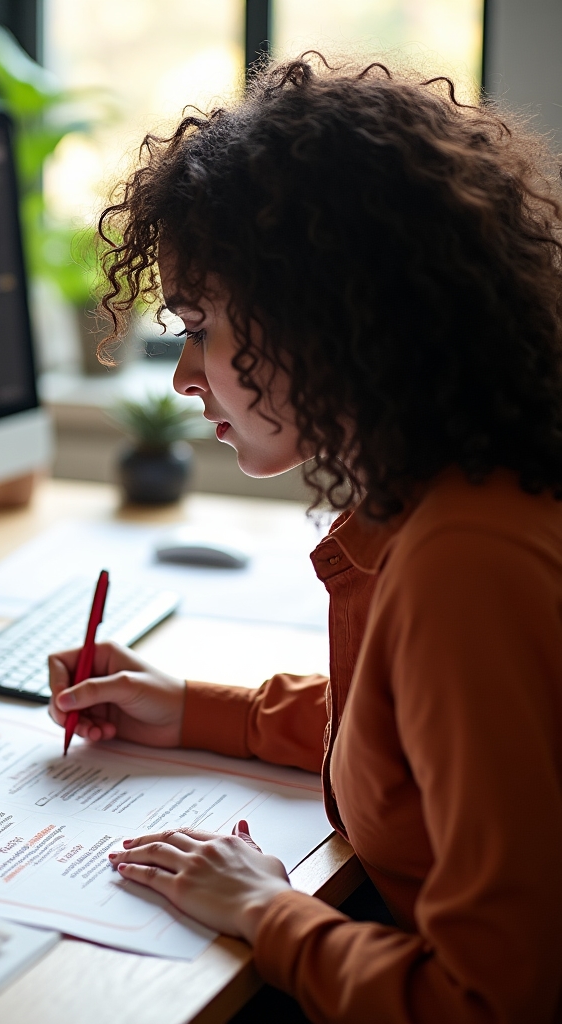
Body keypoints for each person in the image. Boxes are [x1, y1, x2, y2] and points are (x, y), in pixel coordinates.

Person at [48, 56, 562, 1024]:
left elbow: (495, 1003)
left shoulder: (470, 560)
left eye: (200, 326)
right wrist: (199, 710)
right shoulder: (457, 490)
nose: (182, 377)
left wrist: (265, 908)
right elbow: (421, 738)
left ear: (322, 319)